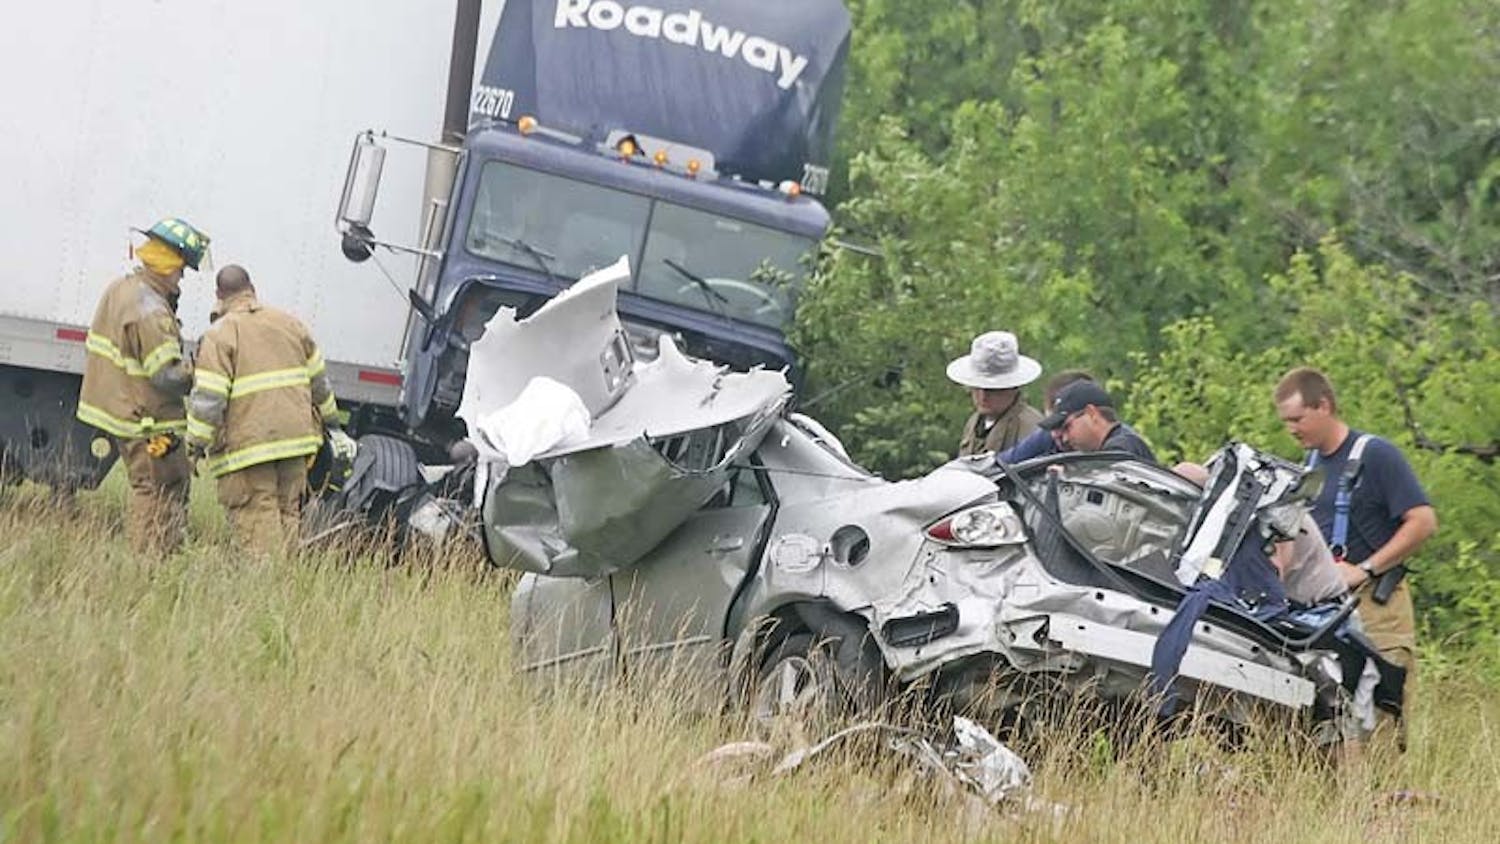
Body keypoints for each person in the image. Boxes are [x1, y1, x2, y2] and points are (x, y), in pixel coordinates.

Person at [1274, 366, 1436, 745]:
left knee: (1380, 725)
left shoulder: (1375, 455)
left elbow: (1423, 521)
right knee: (1333, 731)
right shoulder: (1310, 468)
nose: (1292, 430)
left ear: (1324, 406)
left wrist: (1365, 568)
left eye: (1298, 419)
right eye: (1286, 422)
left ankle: (1387, 803)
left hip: (1378, 612)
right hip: (1330, 615)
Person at [76, 217, 210, 554]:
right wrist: (200, 369)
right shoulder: (152, 309)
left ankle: (149, 557)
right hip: (147, 418)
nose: (182, 279)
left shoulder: (122, 287)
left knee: (150, 486)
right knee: (159, 487)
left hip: (123, 407)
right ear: (168, 265)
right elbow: (167, 375)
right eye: (182, 270)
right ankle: (151, 559)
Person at [186, 265, 341, 555]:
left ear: (219, 295)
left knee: (258, 523)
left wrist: (195, 446)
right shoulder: (291, 325)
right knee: (288, 516)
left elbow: (209, 400)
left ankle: (266, 587)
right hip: (296, 444)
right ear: (252, 290)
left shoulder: (221, 334)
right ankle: (285, 586)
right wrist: (332, 424)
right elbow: (320, 384)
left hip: (249, 448)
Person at [1173, 462, 1346, 605]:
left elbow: (1268, 586)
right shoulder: (1227, 511)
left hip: (1320, 614)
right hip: (1294, 606)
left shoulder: (1271, 512)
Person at [946, 331, 1042, 455]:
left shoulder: (1031, 428)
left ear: (1013, 387)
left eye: (992, 390)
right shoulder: (974, 423)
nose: (983, 396)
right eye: (976, 387)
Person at [1036, 380, 1157, 462]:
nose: (1065, 438)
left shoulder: (1123, 446)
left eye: (1067, 427)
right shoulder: (1121, 441)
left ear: (1091, 413)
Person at [995, 369, 1094, 463]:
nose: (1057, 434)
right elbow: (1001, 463)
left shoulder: (1106, 446)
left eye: (1065, 426)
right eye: (1052, 425)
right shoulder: (1048, 436)